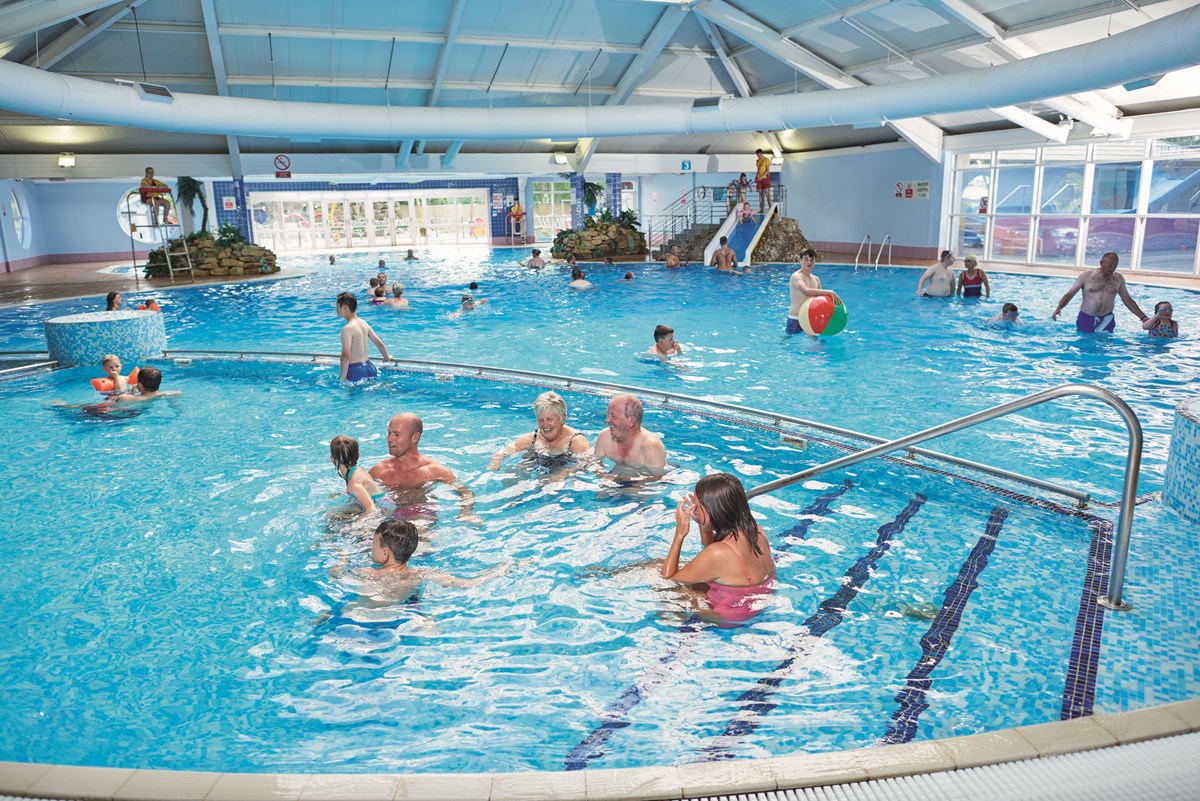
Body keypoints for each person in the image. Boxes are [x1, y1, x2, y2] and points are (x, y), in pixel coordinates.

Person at [660, 473, 775, 624]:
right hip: (754, 603)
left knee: (660, 584)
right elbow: (713, 552)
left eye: (698, 506)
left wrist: (680, 533)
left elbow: (668, 581)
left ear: (710, 511)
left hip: (729, 617)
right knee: (671, 566)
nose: (693, 508)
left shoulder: (717, 554)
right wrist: (703, 523)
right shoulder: (756, 530)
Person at [369, 412, 476, 520]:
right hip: (387, 514)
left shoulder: (435, 471)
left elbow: (465, 493)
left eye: (396, 434)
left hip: (420, 514)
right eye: (389, 433)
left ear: (415, 438)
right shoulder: (378, 471)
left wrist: (466, 512)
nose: (389, 439)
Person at [362, 520, 508, 592]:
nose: (371, 546)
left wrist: (343, 560)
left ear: (385, 553)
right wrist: (500, 571)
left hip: (364, 618)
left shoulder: (368, 573)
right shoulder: (420, 574)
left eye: (374, 542)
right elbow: (469, 584)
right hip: (402, 615)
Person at [489, 391, 590, 471]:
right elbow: (507, 449)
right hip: (536, 466)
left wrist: (563, 474)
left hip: (561, 473)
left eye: (550, 420)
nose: (545, 425)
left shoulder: (576, 441)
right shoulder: (534, 437)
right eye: (541, 420)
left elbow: (585, 464)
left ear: (562, 418)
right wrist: (496, 462)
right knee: (514, 470)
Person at [1052, 252, 1149, 333]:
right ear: (1101, 263)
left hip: (1106, 319)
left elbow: (1127, 300)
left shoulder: (1118, 279)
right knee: (1084, 347)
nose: (1112, 268)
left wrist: (1143, 317)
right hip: (1086, 318)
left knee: (1104, 349)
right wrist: (1059, 308)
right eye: (1110, 265)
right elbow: (1070, 294)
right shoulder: (1086, 276)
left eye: (1115, 265)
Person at [593, 394, 667, 470]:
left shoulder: (651, 446)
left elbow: (657, 478)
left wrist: (620, 478)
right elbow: (595, 463)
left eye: (613, 416)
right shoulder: (605, 436)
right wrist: (601, 476)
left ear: (631, 421)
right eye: (608, 414)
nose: (607, 420)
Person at [335, 291, 391, 382]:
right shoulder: (363, 323)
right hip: (370, 367)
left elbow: (345, 355)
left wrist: (343, 377)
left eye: (337, 306)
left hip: (355, 370)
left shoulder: (347, 329)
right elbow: (379, 343)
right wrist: (386, 357)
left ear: (345, 307)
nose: (336, 309)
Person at [787, 248, 843, 335]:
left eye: (811, 260)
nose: (809, 263)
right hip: (796, 319)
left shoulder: (816, 279)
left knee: (818, 345)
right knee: (791, 344)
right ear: (800, 260)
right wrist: (830, 292)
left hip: (811, 320)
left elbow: (820, 301)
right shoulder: (796, 276)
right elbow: (806, 291)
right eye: (806, 259)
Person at [330, 435, 388, 517]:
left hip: (382, 510)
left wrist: (356, 525)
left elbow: (372, 508)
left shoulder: (354, 484)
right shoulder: (357, 469)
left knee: (333, 520)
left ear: (332, 459)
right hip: (385, 503)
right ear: (358, 455)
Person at [113, 366, 180, 403]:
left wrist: (131, 394)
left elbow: (105, 406)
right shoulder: (167, 394)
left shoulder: (124, 398)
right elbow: (178, 393)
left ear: (141, 385)